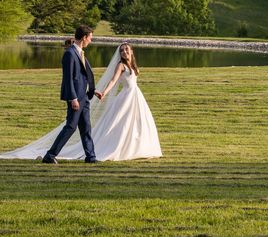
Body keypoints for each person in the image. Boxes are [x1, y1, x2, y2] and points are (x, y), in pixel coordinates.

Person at [0, 41, 162, 162]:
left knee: (139, 122)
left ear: (132, 51)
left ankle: (136, 145)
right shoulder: (121, 66)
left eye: (127, 49)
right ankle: (104, 151)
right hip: (126, 97)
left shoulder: (132, 65)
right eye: (122, 50)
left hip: (136, 96)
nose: (125, 52)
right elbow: (113, 81)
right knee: (121, 123)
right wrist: (104, 92)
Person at [44, 25, 97, 164]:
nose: (91, 41)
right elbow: (68, 79)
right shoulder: (70, 54)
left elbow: (82, 76)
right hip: (76, 98)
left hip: (84, 97)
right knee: (71, 127)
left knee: (86, 127)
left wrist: (92, 90)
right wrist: (73, 98)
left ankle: (91, 157)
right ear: (84, 37)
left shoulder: (80, 53)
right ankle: (49, 156)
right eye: (90, 38)